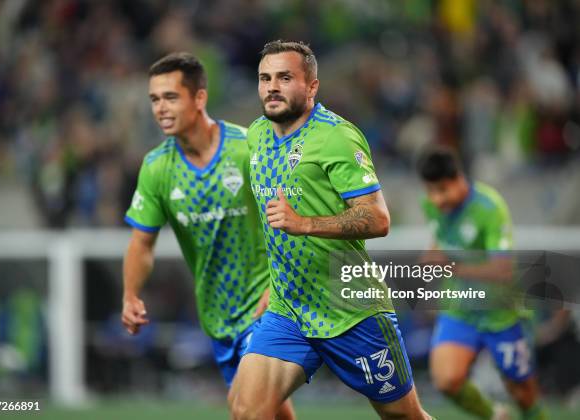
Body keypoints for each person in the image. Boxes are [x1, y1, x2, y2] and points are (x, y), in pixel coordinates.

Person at [229, 40, 432, 420]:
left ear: (311, 86)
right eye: (265, 78)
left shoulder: (336, 136)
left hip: (350, 309)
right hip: (289, 310)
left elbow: (377, 218)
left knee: (405, 416)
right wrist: (273, 281)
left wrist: (304, 224)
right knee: (247, 410)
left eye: (285, 77)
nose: (272, 86)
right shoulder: (256, 135)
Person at [121, 52, 294, 419]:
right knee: (273, 414)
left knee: (246, 410)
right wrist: (131, 294)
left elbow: (291, 221)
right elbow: (142, 243)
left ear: (199, 98)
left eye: (171, 97)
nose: (160, 109)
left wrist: (277, 286)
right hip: (218, 316)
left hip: (269, 306)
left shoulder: (248, 148)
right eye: (154, 99)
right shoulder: (156, 168)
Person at [418, 147, 547, 420]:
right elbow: (439, 244)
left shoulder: (490, 208)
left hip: (501, 314)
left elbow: (503, 270)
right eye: (431, 191)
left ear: (458, 178)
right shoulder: (430, 205)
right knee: (446, 380)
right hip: (460, 310)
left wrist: (451, 267)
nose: (436, 199)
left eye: (442, 190)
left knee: (523, 394)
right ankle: (495, 416)